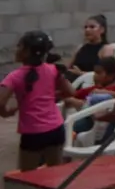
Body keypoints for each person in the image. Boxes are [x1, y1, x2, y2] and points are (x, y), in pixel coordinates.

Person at [0, 31, 75, 171]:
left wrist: (6, 113)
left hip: (32, 133)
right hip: (56, 129)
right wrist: (49, 94)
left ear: (27, 51)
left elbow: (0, 103)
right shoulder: (53, 70)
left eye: (19, 46)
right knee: (55, 173)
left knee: (28, 178)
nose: (16, 49)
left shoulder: (14, 76)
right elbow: (70, 92)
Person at [66, 14, 110, 78]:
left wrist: (81, 74)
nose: (87, 30)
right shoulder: (80, 48)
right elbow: (67, 67)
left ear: (102, 30)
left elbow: (105, 75)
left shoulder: (106, 49)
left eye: (92, 27)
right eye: (85, 27)